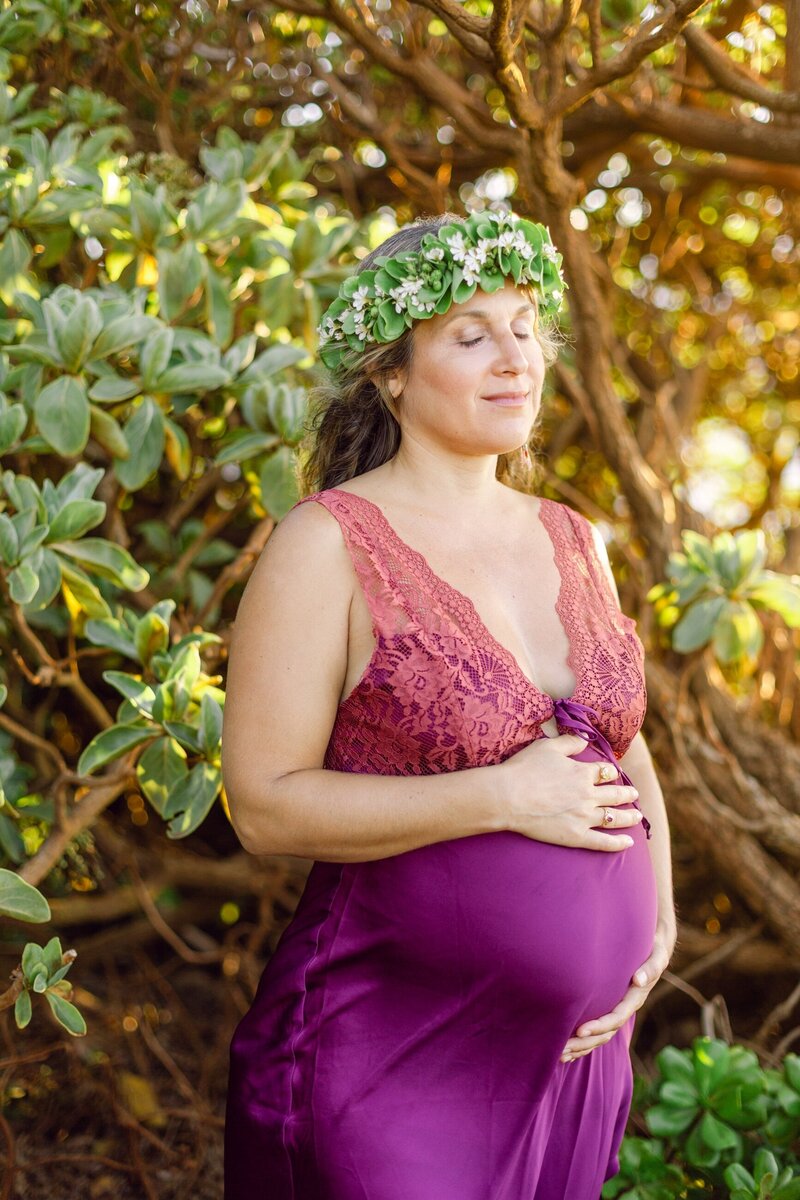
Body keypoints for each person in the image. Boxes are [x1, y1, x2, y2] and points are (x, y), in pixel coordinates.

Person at [222, 208, 677, 1199]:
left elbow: (619, 747)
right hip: (394, 1058)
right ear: (390, 372)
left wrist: (660, 923)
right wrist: (499, 797)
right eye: (471, 336)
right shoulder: (325, 544)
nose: (515, 359)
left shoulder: (575, 538)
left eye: (525, 328)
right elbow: (262, 806)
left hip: (575, 1062)